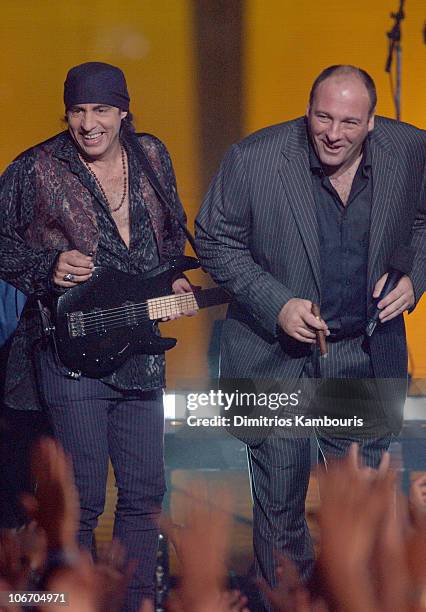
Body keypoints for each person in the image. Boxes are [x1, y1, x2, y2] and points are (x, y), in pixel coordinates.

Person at [195, 65, 425, 604]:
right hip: (274, 360)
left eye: (349, 121)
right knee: (280, 508)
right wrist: (276, 304)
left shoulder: (411, 149)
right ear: (307, 110)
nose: (333, 133)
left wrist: (416, 275)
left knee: (361, 509)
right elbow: (214, 237)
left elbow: (423, 221)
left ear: (372, 122)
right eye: (322, 117)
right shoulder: (255, 159)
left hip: (365, 355)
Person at [0, 61, 192, 611]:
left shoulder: (151, 156)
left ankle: (130, 604)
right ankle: (77, 603)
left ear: (123, 111)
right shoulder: (36, 168)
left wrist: (174, 276)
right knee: (81, 499)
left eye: (102, 110)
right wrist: (48, 266)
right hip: (71, 350)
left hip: (139, 348)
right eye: (78, 111)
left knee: (144, 497)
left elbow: (171, 233)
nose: (89, 123)